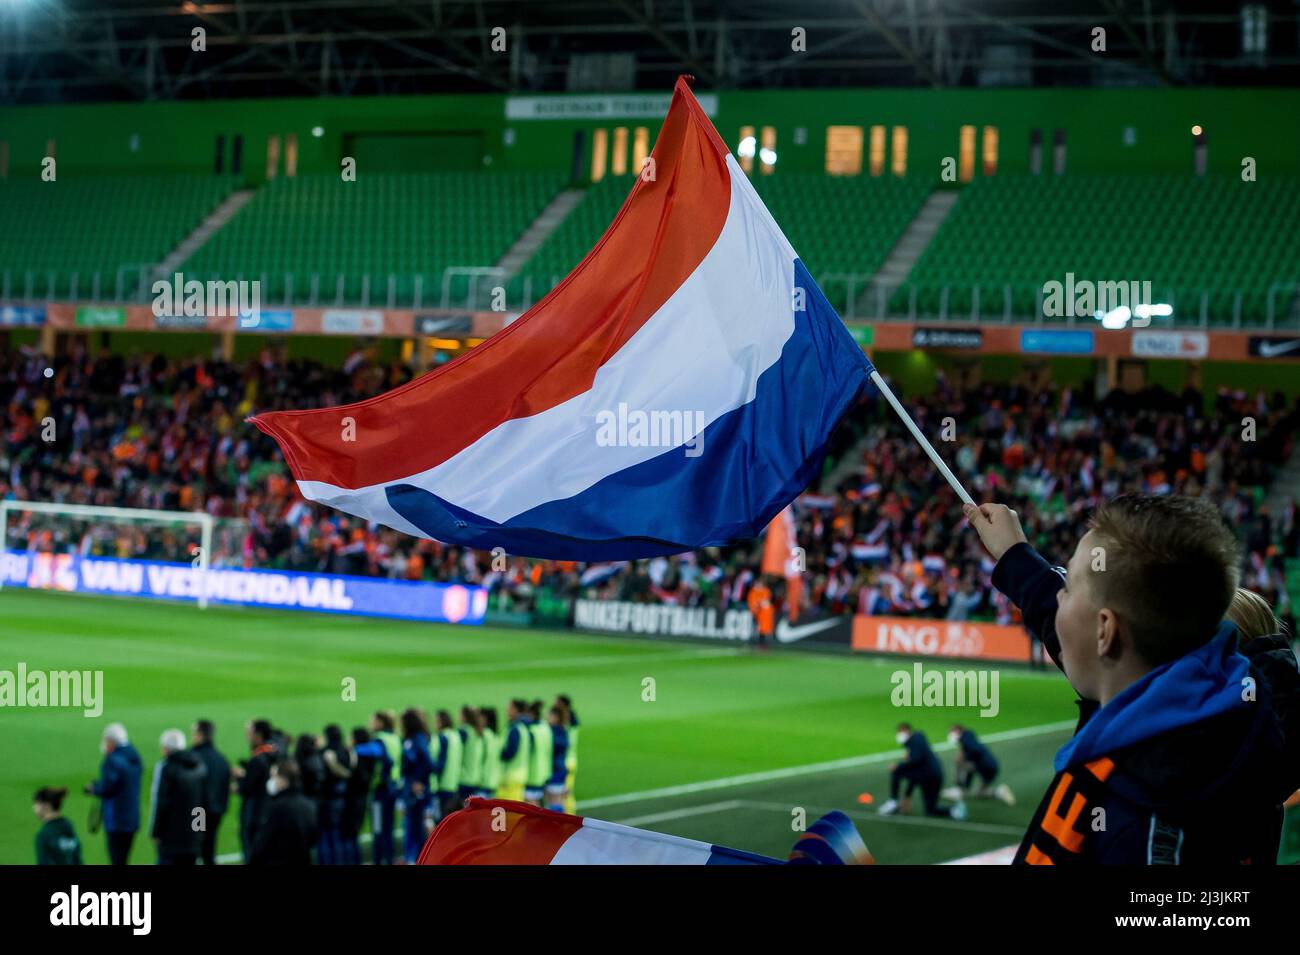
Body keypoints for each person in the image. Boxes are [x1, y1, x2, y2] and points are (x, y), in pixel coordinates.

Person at [965, 494, 1300, 864]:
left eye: (1067, 589)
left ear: (1105, 631)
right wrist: (1015, 556)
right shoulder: (1211, 736)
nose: (1057, 599)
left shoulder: (1147, 822)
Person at [880, 723, 966, 819]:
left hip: (929, 776)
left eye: (900, 732)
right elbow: (914, 774)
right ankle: (954, 811)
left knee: (896, 771)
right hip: (933, 776)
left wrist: (898, 765)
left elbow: (915, 761)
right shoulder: (917, 740)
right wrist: (907, 796)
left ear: (906, 730)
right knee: (930, 811)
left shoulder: (915, 740)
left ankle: (893, 801)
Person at [85, 722, 142, 865]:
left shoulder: (112, 761)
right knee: (124, 858)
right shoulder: (135, 757)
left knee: (117, 859)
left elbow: (108, 787)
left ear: (111, 741)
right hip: (132, 819)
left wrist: (94, 788)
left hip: (116, 820)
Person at [150, 728, 207, 865]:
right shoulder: (199, 767)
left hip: (171, 839)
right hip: (193, 837)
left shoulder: (168, 769)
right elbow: (202, 804)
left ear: (166, 748)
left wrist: (156, 831)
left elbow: (162, 802)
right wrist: (200, 831)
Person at [249, 758, 318, 866]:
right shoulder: (309, 804)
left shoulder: (278, 808)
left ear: (284, 780)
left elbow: (262, 844)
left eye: (274, 777)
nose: (271, 781)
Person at [357, 710, 401, 865]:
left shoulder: (380, 739)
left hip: (381, 790)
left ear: (380, 723)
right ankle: (389, 859)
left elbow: (377, 753)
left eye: (373, 720)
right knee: (389, 828)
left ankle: (377, 860)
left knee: (378, 829)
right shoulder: (395, 738)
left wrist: (352, 750)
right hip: (394, 788)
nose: (370, 723)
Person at [234, 719, 276, 862]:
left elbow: (247, 789)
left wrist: (238, 781)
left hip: (254, 814)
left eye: (249, 732)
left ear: (258, 735)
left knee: (251, 854)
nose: (246, 735)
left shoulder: (257, 759)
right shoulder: (273, 753)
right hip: (269, 811)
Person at [190, 719, 231, 866]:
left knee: (193, 847)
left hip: (198, 811)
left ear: (200, 735)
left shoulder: (193, 757)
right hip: (216, 811)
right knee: (209, 848)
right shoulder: (221, 759)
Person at [943, 724, 1014, 805]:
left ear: (958, 730)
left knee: (961, 765)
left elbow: (973, 750)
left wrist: (964, 757)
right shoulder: (968, 736)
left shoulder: (965, 739)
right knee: (981, 793)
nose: (950, 734)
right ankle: (999, 792)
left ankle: (960, 790)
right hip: (992, 766)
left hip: (986, 766)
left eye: (951, 731)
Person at [399, 708, 434, 864]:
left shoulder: (418, 739)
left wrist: (419, 781)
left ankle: (422, 860)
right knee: (414, 828)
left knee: (417, 829)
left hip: (416, 791)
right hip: (410, 790)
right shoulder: (412, 739)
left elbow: (428, 762)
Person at [318, 724, 354, 865]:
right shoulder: (347, 751)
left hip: (329, 799)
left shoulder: (326, 752)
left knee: (329, 835)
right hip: (344, 799)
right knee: (340, 835)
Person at [342, 727, 376, 865]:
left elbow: (357, 778)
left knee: (350, 835)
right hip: (363, 798)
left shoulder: (358, 755)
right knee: (355, 834)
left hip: (354, 799)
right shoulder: (372, 753)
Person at [34, 787, 82, 865]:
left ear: (46, 805)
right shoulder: (68, 827)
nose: (34, 807)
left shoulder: (43, 835)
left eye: (36, 803)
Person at [498, 700, 532, 803]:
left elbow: (510, 752)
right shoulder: (524, 728)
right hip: (521, 774)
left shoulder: (514, 729)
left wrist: (498, 753)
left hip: (511, 776)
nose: (507, 710)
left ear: (516, 710)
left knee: (510, 810)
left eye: (509, 708)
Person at [433, 710, 463, 820]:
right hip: (454, 783)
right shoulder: (456, 736)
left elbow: (441, 762)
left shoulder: (442, 737)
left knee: (440, 821)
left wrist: (434, 773)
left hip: (442, 784)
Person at [544, 705, 570, 813]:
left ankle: (557, 826)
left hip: (554, 770)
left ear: (555, 717)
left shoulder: (552, 732)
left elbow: (555, 748)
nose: (546, 717)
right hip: (561, 769)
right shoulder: (563, 731)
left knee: (554, 800)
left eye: (549, 715)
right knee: (557, 800)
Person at [525, 700, 551, 807]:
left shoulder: (531, 730)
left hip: (532, 774)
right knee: (539, 803)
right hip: (544, 772)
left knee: (531, 805)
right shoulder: (545, 726)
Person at [555, 694, 579, 813]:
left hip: (566, 761)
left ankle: (570, 818)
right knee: (565, 792)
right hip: (571, 760)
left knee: (565, 793)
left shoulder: (566, 723)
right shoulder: (573, 722)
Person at [458, 706, 482, 808]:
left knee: (462, 810)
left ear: (464, 717)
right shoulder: (477, 732)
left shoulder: (464, 731)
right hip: (475, 777)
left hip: (464, 777)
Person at [477, 706, 501, 799]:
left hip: (482, 781)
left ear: (484, 719)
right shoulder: (496, 736)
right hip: (494, 781)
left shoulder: (483, 735)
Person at [747, 575, 776, 650]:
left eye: (760, 583)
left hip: (763, 614)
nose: (758, 585)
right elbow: (752, 603)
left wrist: (759, 603)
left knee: (764, 629)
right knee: (755, 628)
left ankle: (763, 644)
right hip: (756, 613)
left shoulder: (765, 591)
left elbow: (765, 602)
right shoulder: (753, 592)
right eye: (757, 583)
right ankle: (754, 642)